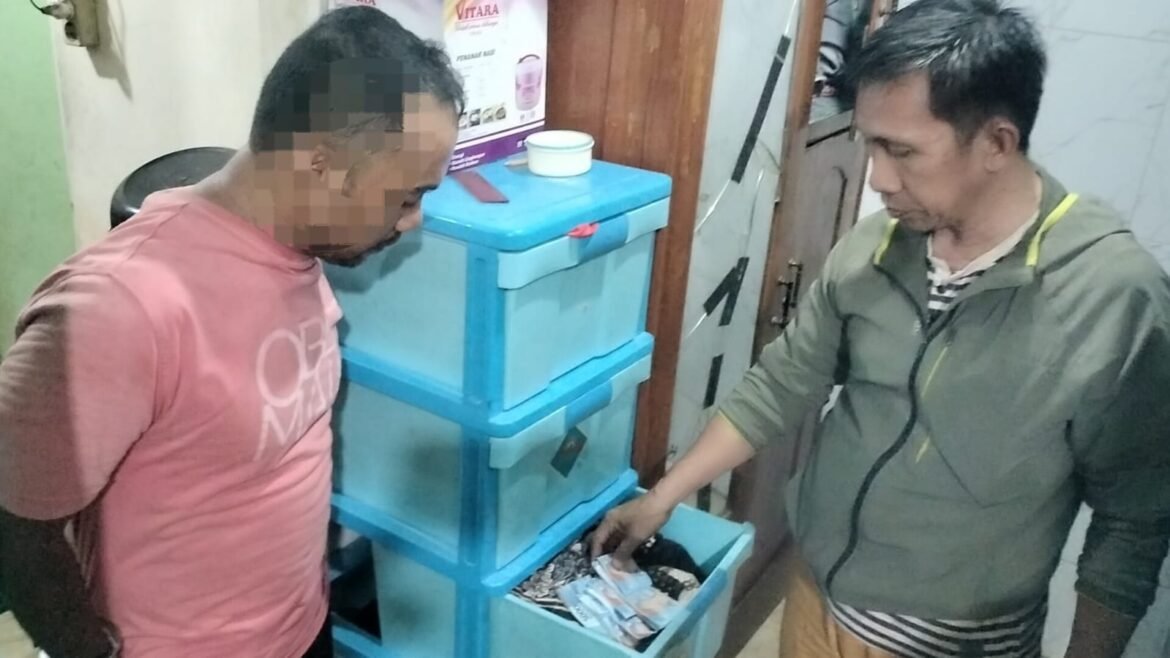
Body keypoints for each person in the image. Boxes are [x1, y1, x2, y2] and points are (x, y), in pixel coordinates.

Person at [593, 1, 1170, 657]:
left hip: (959, 640)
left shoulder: (1112, 296)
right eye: (871, 143)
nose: (878, 178)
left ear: (996, 143)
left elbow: (1133, 522)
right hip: (816, 595)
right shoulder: (876, 248)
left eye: (903, 151)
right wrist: (664, 496)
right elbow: (781, 384)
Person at [0, 7, 463, 657]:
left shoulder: (298, 248)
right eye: (407, 196)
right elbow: (17, 523)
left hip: (301, 630)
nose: (413, 221)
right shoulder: (117, 308)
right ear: (321, 165)